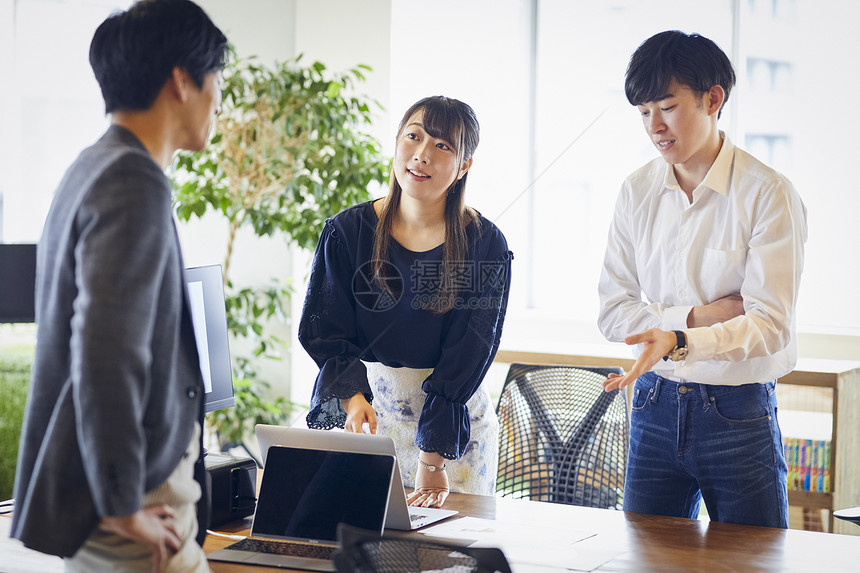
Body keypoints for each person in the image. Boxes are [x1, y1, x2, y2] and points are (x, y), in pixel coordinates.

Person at [11, 1, 228, 571]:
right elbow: (106, 352)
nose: (218, 101)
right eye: (215, 81)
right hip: (141, 505)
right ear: (182, 81)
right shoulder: (134, 182)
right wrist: (121, 500)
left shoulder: (91, 165)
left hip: (122, 497)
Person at [597, 30, 807, 528]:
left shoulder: (768, 194)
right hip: (653, 403)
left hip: (738, 412)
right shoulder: (636, 190)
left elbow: (771, 324)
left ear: (713, 99)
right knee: (645, 560)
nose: (655, 126)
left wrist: (673, 334)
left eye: (667, 107)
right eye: (644, 112)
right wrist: (694, 321)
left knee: (752, 561)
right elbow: (612, 311)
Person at [298, 96, 513, 508]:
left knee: (448, 561)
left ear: (464, 165)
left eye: (442, 146)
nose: (422, 155)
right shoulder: (347, 231)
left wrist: (432, 458)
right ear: (396, 142)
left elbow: (472, 346)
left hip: (453, 433)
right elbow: (326, 330)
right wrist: (351, 397)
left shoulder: (486, 244)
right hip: (368, 417)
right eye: (413, 137)